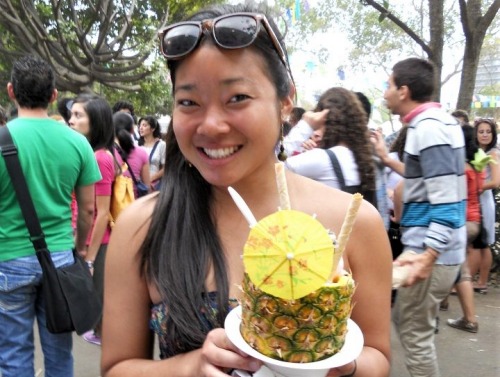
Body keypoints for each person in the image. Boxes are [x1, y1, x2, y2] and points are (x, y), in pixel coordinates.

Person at [101, 3, 391, 377]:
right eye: (189, 102)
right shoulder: (141, 226)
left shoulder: (356, 223)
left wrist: (340, 365)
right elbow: (116, 368)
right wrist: (191, 367)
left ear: (286, 101)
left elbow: (378, 356)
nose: (212, 124)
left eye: (237, 97)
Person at [0, 55, 100, 377]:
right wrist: (82, 246)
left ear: (11, 91)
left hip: (8, 259)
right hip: (59, 259)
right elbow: (88, 209)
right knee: (59, 352)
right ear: (54, 95)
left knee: (14, 353)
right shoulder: (77, 143)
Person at [385, 57, 466, 377]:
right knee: (411, 325)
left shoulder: (430, 127)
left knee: (415, 336)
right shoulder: (432, 124)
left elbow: (446, 202)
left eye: (389, 86)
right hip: (428, 250)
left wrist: (427, 255)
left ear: (404, 91)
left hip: (432, 253)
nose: (385, 94)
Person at [69, 93, 119, 346]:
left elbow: (100, 213)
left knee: (98, 294)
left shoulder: (100, 157)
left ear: (96, 121)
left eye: (78, 115)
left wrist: (89, 257)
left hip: (99, 242)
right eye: (72, 114)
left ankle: (104, 336)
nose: (71, 120)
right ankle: (100, 332)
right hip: (93, 241)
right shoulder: (93, 153)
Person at [285, 87, 378, 208]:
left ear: (326, 120)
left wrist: (305, 125)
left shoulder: (321, 159)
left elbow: (268, 171)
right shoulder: (361, 160)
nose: (316, 132)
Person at [444, 125, 483, 333]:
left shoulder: (460, 168)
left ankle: (469, 319)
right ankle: (448, 307)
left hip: (463, 222)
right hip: (474, 221)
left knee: (457, 269)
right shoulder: (475, 165)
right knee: (457, 268)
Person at [467, 117, 500, 294]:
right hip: (477, 199)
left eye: (488, 131)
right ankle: (478, 281)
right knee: (480, 242)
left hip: (484, 199)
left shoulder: (493, 153)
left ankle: (481, 281)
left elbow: (495, 181)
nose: (485, 134)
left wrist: (476, 187)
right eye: (481, 131)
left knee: (484, 242)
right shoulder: (477, 151)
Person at [113, 112, 151, 198]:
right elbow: (147, 187)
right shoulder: (142, 153)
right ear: (132, 130)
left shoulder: (106, 153)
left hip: (112, 207)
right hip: (134, 207)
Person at [138, 115, 166, 190]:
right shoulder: (137, 145)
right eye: (140, 125)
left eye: (144, 125)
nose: (141, 128)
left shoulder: (161, 145)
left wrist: (152, 178)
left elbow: (165, 168)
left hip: (154, 186)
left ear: (153, 129)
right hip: (139, 185)